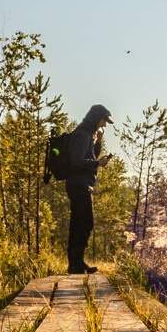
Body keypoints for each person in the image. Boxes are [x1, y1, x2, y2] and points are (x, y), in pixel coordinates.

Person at [61, 103, 111, 274]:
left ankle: (75, 264)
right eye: (104, 121)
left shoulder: (86, 135)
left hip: (80, 184)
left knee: (78, 223)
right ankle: (76, 263)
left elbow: (89, 157)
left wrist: (98, 143)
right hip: (79, 184)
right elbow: (77, 161)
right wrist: (98, 163)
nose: (104, 125)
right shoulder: (82, 135)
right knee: (85, 222)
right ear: (97, 118)